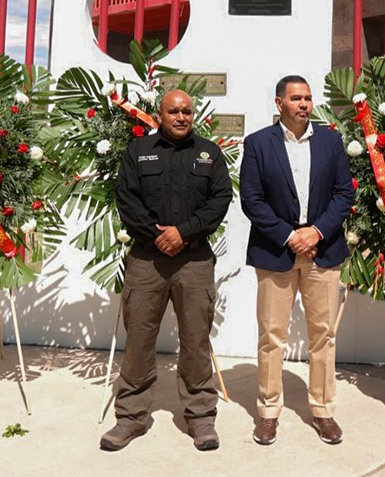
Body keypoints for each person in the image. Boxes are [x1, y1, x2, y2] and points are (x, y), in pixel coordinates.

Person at [100, 89, 233, 452]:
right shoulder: (138, 151)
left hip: (194, 261)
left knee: (195, 340)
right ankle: (130, 418)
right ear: (159, 114)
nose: (180, 117)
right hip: (147, 261)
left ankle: (200, 416)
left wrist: (183, 233)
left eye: (187, 111)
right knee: (140, 340)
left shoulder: (208, 153)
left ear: (194, 114)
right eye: (173, 111)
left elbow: (221, 199)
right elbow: (126, 198)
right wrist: (158, 237)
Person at [239, 75, 354, 446]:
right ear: (279, 103)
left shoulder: (331, 141)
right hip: (276, 251)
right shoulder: (258, 143)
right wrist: (290, 236)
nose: (304, 104)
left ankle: (322, 410)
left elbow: (343, 194)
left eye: (307, 98)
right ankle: (268, 412)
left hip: (323, 249)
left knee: (323, 335)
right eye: (296, 98)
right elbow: (251, 200)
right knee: (272, 336)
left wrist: (316, 232)